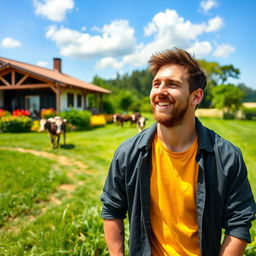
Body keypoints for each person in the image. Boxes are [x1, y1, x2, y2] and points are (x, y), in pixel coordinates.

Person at [100, 48, 255, 256]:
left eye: (172, 84)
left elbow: (239, 223)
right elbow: (112, 210)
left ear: (196, 97)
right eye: (156, 84)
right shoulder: (128, 154)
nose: (160, 91)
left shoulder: (227, 158)